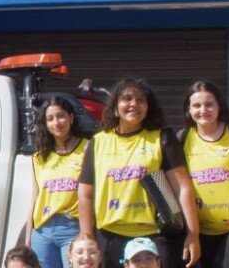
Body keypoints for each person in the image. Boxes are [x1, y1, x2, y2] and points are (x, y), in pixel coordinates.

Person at [77, 77, 201, 268]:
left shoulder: (162, 137)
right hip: (111, 236)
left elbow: (182, 188)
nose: (134, 104)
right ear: (115, 107)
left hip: (157, 234)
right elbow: (85, 194)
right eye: (127, 99)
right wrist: (88, 239)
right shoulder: (98, 142)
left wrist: (193, 234)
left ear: (148, 106)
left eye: (141, 100)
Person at [179, 81, 229, 268]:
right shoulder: (182, 139)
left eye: (209, 104)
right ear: (188, 109)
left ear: (219, 106)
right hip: (200, 230)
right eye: (196, 105)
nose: (203, 110)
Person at [24, 97, 89, 268]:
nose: (56, 122)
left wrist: (86, 234)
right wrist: (28, 238)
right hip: (42, 231)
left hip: (74, 229)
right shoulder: (39, 156)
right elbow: (35, 197)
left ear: (71, 118)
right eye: (50, 118)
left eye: (61, 116)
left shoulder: (88, 149)